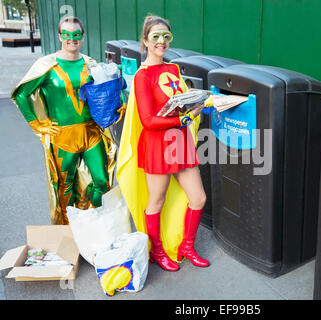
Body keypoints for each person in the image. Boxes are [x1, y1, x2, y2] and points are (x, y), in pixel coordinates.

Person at [116, 15, 209, 271]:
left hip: (180, 142)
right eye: (155, 37)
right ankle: (157, 251)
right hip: (158, 145)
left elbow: (180, 105)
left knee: (198, 198)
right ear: (145, 41)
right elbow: (148, 120)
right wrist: (182, 120)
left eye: (166, 37)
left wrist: (199, 104)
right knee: (156, 201)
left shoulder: (173, 69)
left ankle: (186, 247)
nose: (161, 42)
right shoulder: (142, 76)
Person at [11, 16, 120, 225]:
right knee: (64, 185)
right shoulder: (45, 65)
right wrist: (37, 124)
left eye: (76, 34)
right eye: (67, 34)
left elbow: (105, 93)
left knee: (102, 181)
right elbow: (21, 95)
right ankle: (69, 230)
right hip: (63, 137)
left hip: (92, 133)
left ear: (82, 36)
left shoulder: (90, 64)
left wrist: (114, 108)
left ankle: (95, 224)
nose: (72, 39)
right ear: (60, 36)